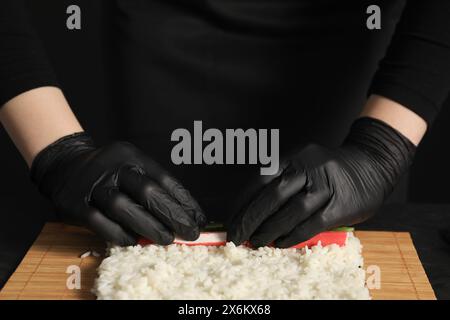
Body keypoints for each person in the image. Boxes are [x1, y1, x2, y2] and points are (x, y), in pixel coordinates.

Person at [0, 1, 449, 248]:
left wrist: (380, 151)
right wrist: (58, 151)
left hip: (357, 63)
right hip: (159, 39)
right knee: (146, 230)